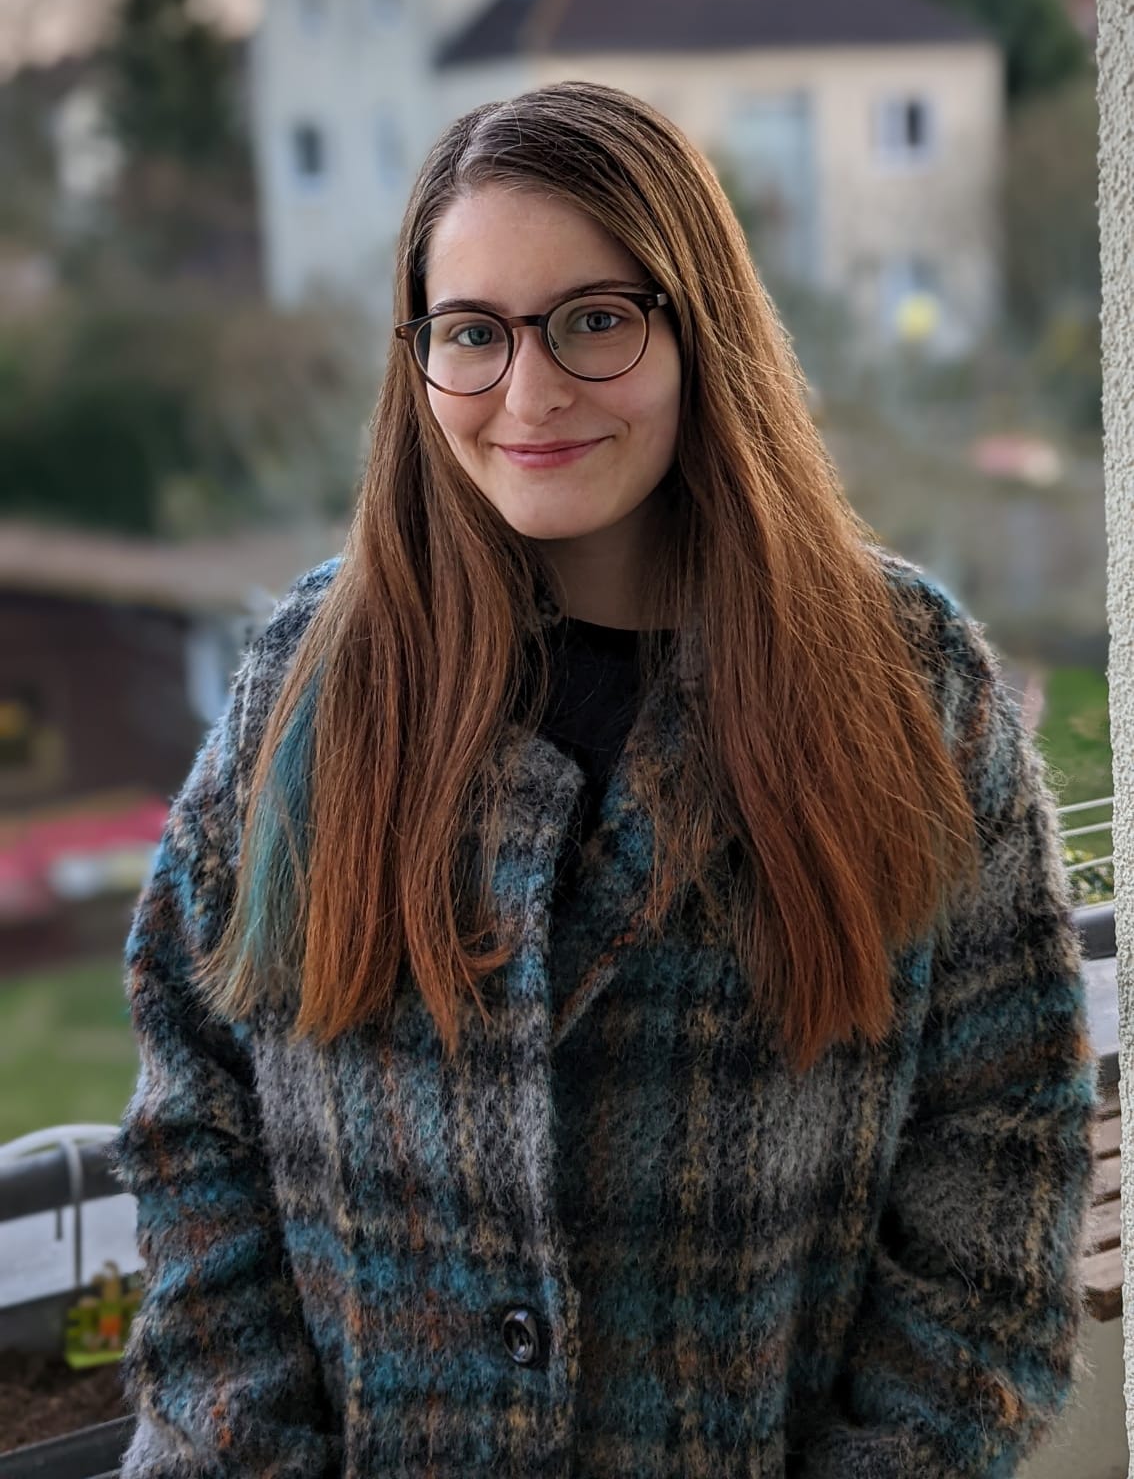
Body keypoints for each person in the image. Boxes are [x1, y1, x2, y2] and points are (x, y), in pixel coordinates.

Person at [111, 78, 1097, 1479]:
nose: (528, 392)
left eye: (592, 319)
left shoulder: (902, 684)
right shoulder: (312, 684)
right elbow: (192, 1108)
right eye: (472, 332)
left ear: (699, 327)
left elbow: (1003, 1143)